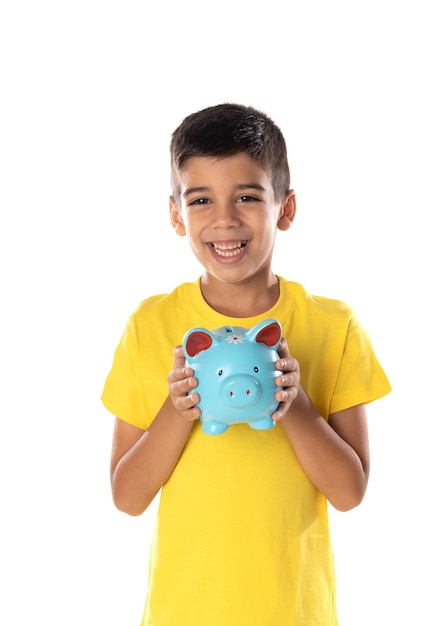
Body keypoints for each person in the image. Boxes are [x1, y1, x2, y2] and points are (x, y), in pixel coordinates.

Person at [101, 103, 392, 625]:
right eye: (201, 200)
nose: (225, 219)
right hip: (182, 612)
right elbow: (127, 497)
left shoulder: (334, 325)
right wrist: (178, 407)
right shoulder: (149, 326)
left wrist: (294, 402)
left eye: (248, 197)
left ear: (286, 208)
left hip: (295, 612)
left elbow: (349, 493)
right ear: (176, 215)